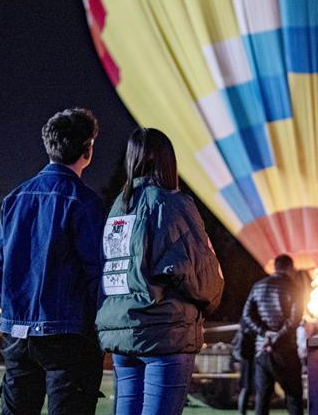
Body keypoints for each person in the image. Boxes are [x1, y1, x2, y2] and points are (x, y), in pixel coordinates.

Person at [96, 127, 224, 415]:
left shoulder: (119, 207)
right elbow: (196, 272)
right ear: (168, 160)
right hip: (164, 332)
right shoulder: (171, 203)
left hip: (122, 332)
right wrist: (212, 299)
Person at [0, 107, 105, 415]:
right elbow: (97, 272)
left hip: (17, 331)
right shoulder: (86, 202)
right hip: (67, 333)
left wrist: (13, 309)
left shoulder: (14, 199)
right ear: (88, 149)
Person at [240, 254, 304, 415]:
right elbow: (295, 319)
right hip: (286, 351)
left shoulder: (258, 286)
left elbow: (247, 315)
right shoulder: (294, 288)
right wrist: (278, 335)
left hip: (262, 350)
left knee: (262, 400)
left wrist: (265, 332)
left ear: (275, 267)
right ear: (290, 268)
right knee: (294, 397)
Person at [232, 320, 257, 414]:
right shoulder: (247, 323)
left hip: (248, 358)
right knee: (246, 388)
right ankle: (243, 412)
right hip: (248, 358)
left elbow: (235, 343)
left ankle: (243, 412)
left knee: (247, 388)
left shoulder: (244, 324)